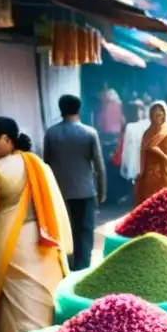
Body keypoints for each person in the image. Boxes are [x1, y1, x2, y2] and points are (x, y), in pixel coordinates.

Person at [0, 117, 72, 332]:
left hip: (12, 243)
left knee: (15, 304)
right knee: (44, 299)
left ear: (7, 140)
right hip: (43, 240)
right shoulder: (36, 163)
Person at [42, 95, 106, 271]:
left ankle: (65, 267)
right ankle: (83, 269)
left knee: (64, 230)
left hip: (59, 192)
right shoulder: (89, 133)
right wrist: (102, 192)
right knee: (85, 232)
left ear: (60, 109)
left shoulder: (51, 133)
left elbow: (46, 163)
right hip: (85, 191)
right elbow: (99, 166)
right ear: (79, 109)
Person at [134, 102, 167, 205]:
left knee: (166, 202)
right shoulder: (147, 133)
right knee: (151, 203)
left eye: (160, 114)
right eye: (154, 115)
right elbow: (143, 154)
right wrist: (142, 172)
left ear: (165, 114)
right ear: (150, 116)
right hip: (151, 175)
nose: (158, 117)